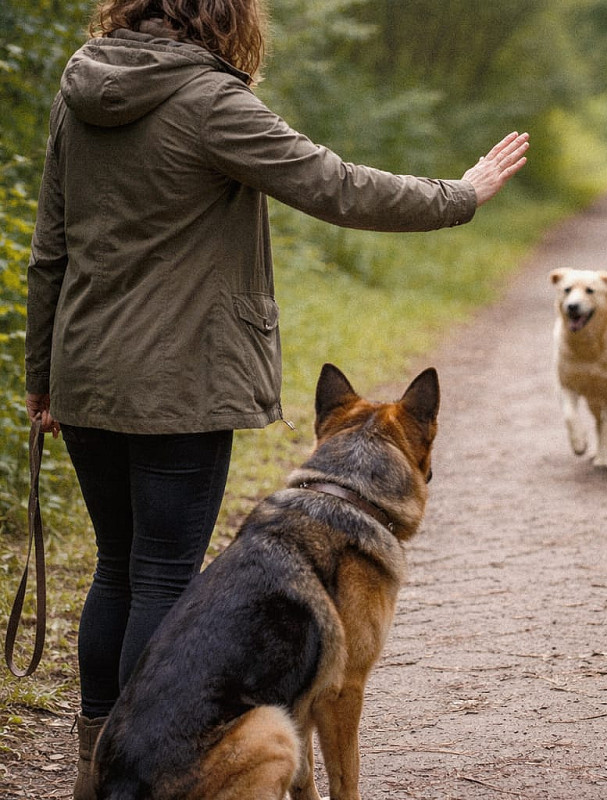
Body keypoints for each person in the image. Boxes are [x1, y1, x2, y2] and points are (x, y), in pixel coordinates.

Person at [23, 0, 528, 797]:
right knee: (163, 576)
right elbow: (337, 186)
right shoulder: (211, 100)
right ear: (224, 16)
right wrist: (458, 194)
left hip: (85, 372)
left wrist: (41, 374)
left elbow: (49, 244)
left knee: (117, 571)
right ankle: (150, 772)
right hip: (180, 382)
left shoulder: (78, 88)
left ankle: (100, 774)